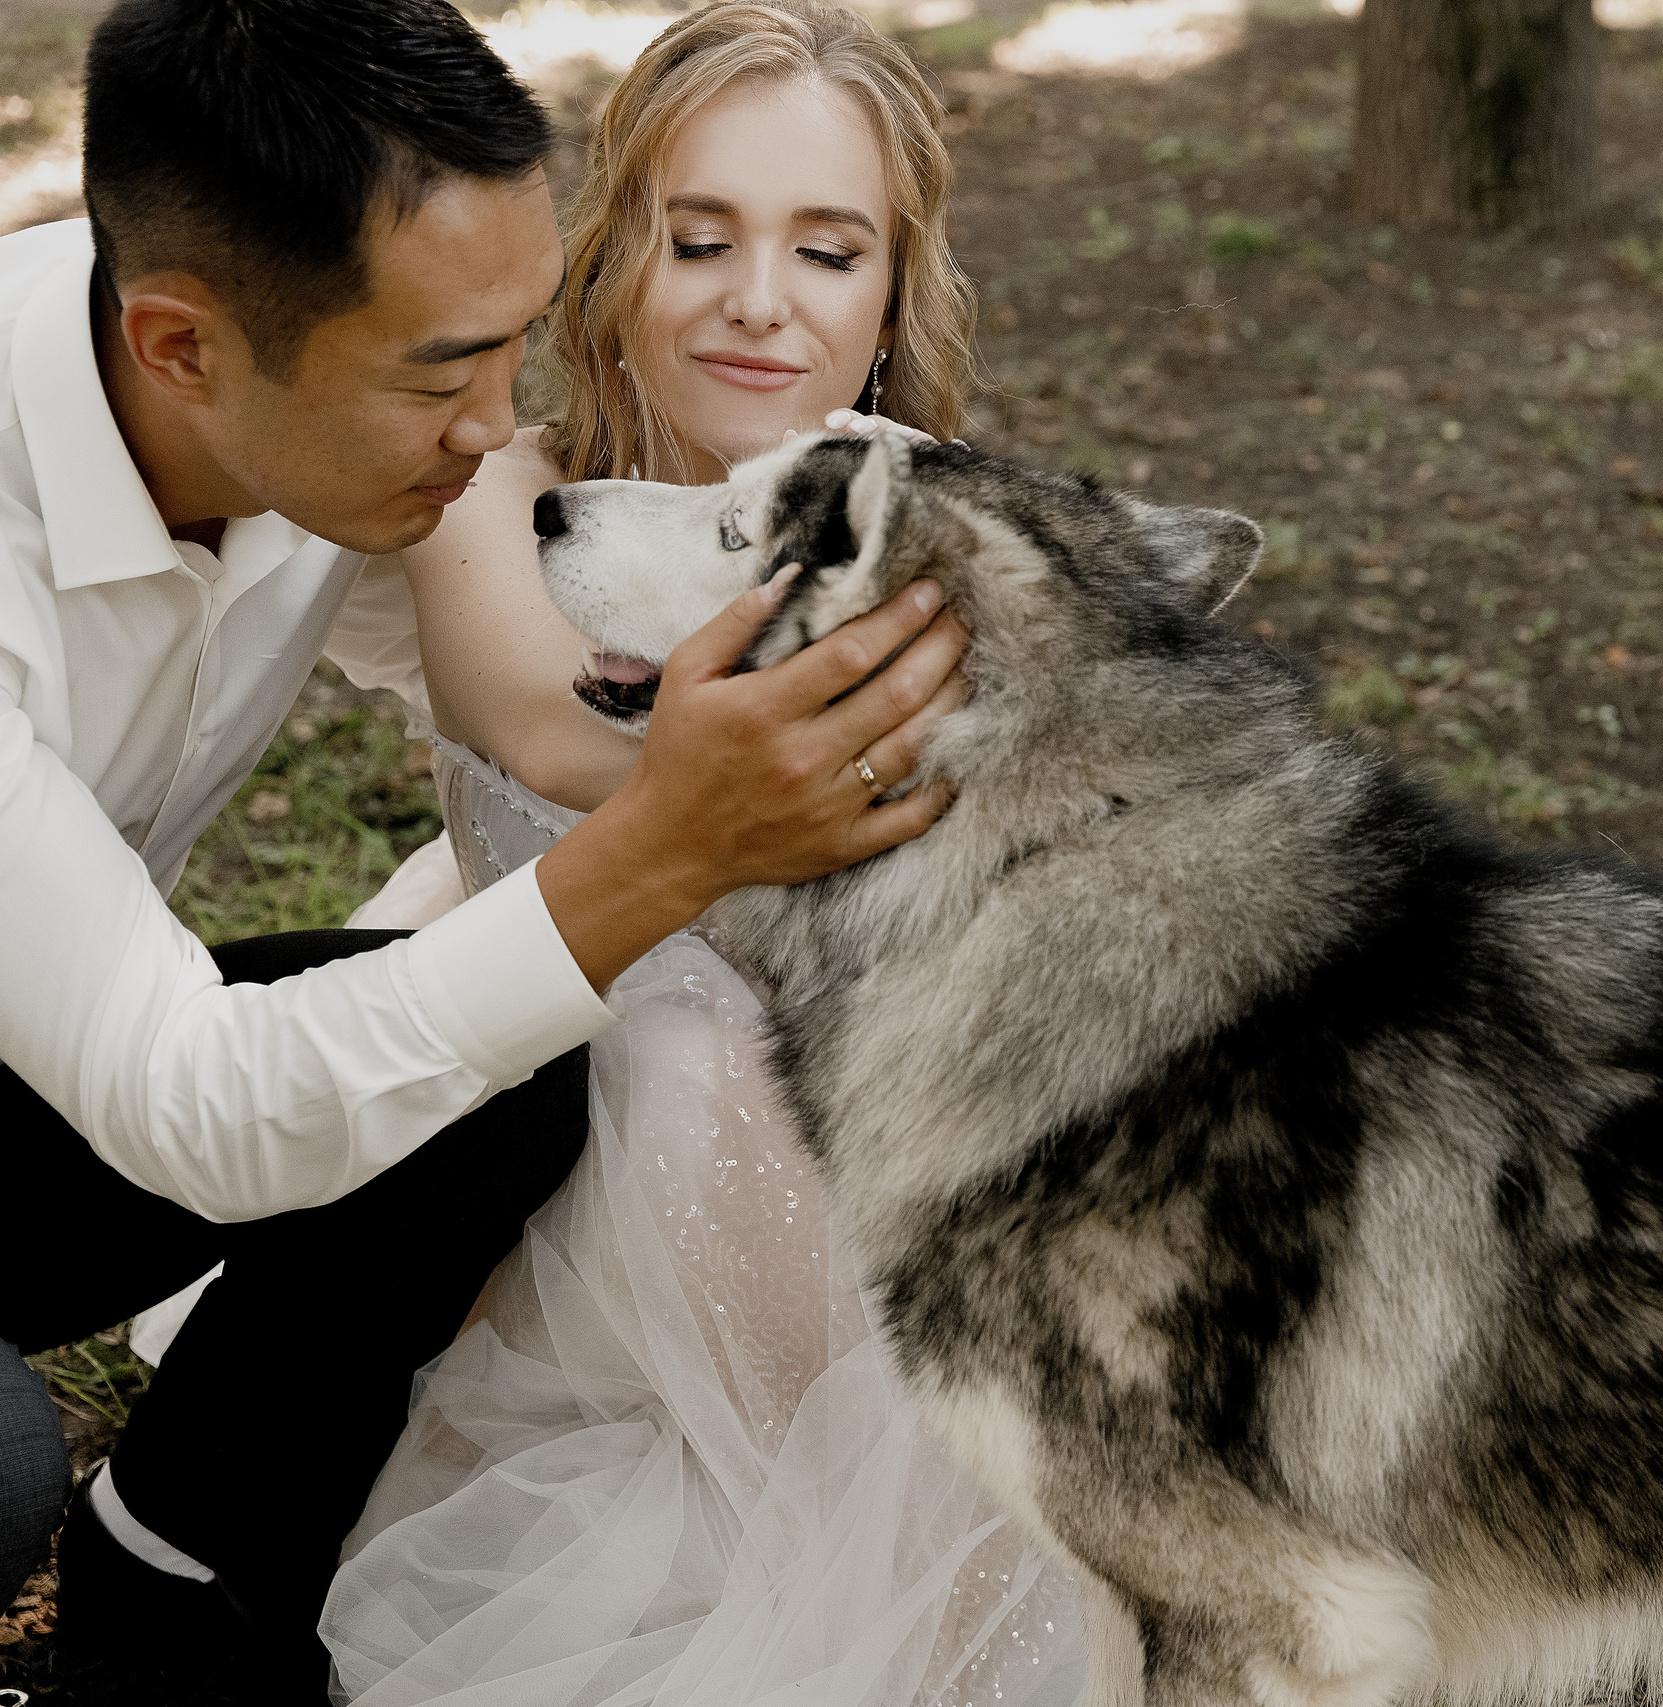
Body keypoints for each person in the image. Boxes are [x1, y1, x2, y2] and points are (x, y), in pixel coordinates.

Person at [0, 0, 966, 1696]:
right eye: (446, 372)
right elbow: (201, 1107)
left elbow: (523, 648)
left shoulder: (303, 361)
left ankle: (176, 1558)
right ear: (180, 352)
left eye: (513, 342)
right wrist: (677, 837)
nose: (489, 434)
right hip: (89, 1084)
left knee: (487, 1061)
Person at [308, 6, 1088, 1704]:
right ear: (615, 261)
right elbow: (551, 737)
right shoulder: (496, 495)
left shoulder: (935, 514)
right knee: (704, 1065)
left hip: (879, 1079)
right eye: (702, 237)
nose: (760, 298)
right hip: (573, 1056)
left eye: (827, 249)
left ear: (891, 294)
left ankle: (956, 1566)